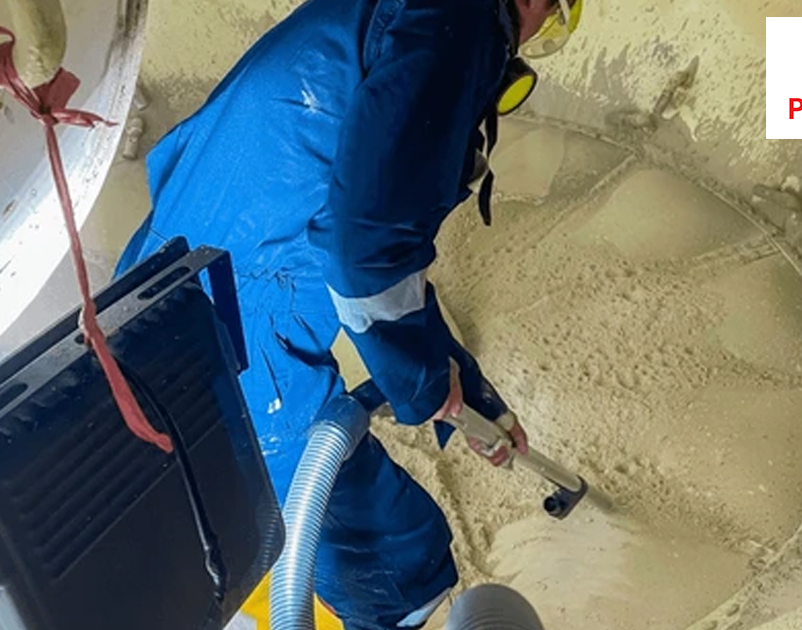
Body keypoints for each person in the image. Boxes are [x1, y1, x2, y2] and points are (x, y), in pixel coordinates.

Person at [114, 0, 581, 627]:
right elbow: (364, 255)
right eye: (555, 13)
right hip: (230, 329)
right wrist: (423, 383)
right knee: (399, 566)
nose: (539, 30)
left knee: (210, 498)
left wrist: (470, 396)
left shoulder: (398, 13)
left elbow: (383, 251)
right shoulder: (466, 26)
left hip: (169, 265)